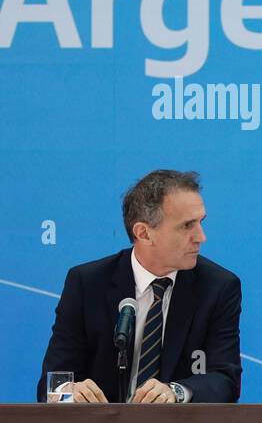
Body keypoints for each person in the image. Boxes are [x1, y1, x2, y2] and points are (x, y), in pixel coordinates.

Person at [37, 170, 242, 403]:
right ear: (144, 233)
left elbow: (226, 381)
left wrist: (176, 392)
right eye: (187, 226)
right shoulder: (87, 283)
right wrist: (68, 393)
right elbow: (51, 385)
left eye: (200, 222)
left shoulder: (218, 287)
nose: (201, 237)